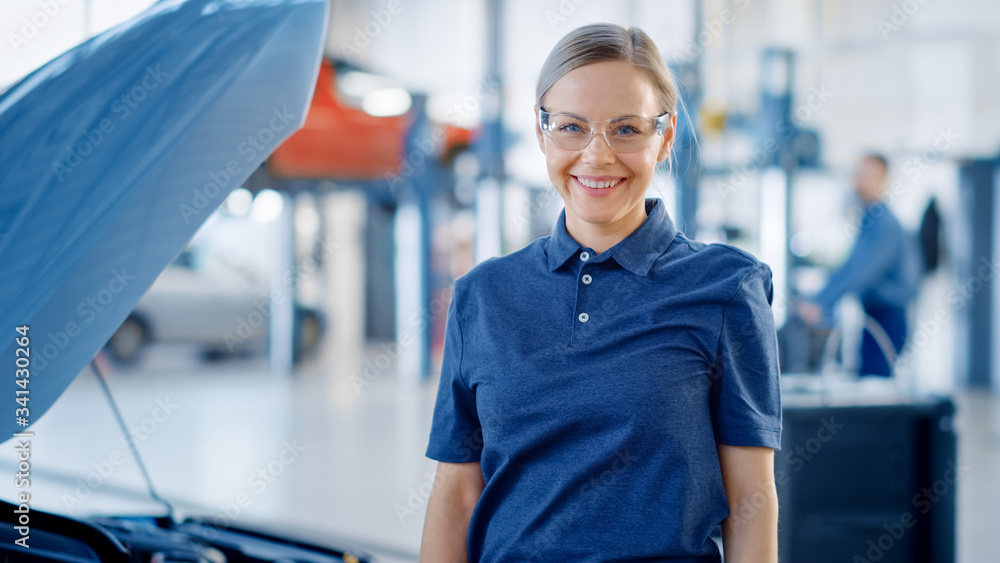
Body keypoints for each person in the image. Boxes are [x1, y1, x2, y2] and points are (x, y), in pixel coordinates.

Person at [420, 23, 781, 562]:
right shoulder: (482, 296)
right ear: (541, 133)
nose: (597, 156)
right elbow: (456, 492)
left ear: (665, 137)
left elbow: (750, 496)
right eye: (571, 127)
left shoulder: (726, 289)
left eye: (627, 130)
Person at [797, 154, 921, 377]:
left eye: (866, 174)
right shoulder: (869, 219)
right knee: (868, 381)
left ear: (882, 178)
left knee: (876, 388)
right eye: (857, 173)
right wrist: (818, 299)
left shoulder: (884, 224)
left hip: (888, 318)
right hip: (874, 315)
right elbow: (849, 266)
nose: (858, 179)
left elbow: (861, 272)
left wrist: (819, 302)